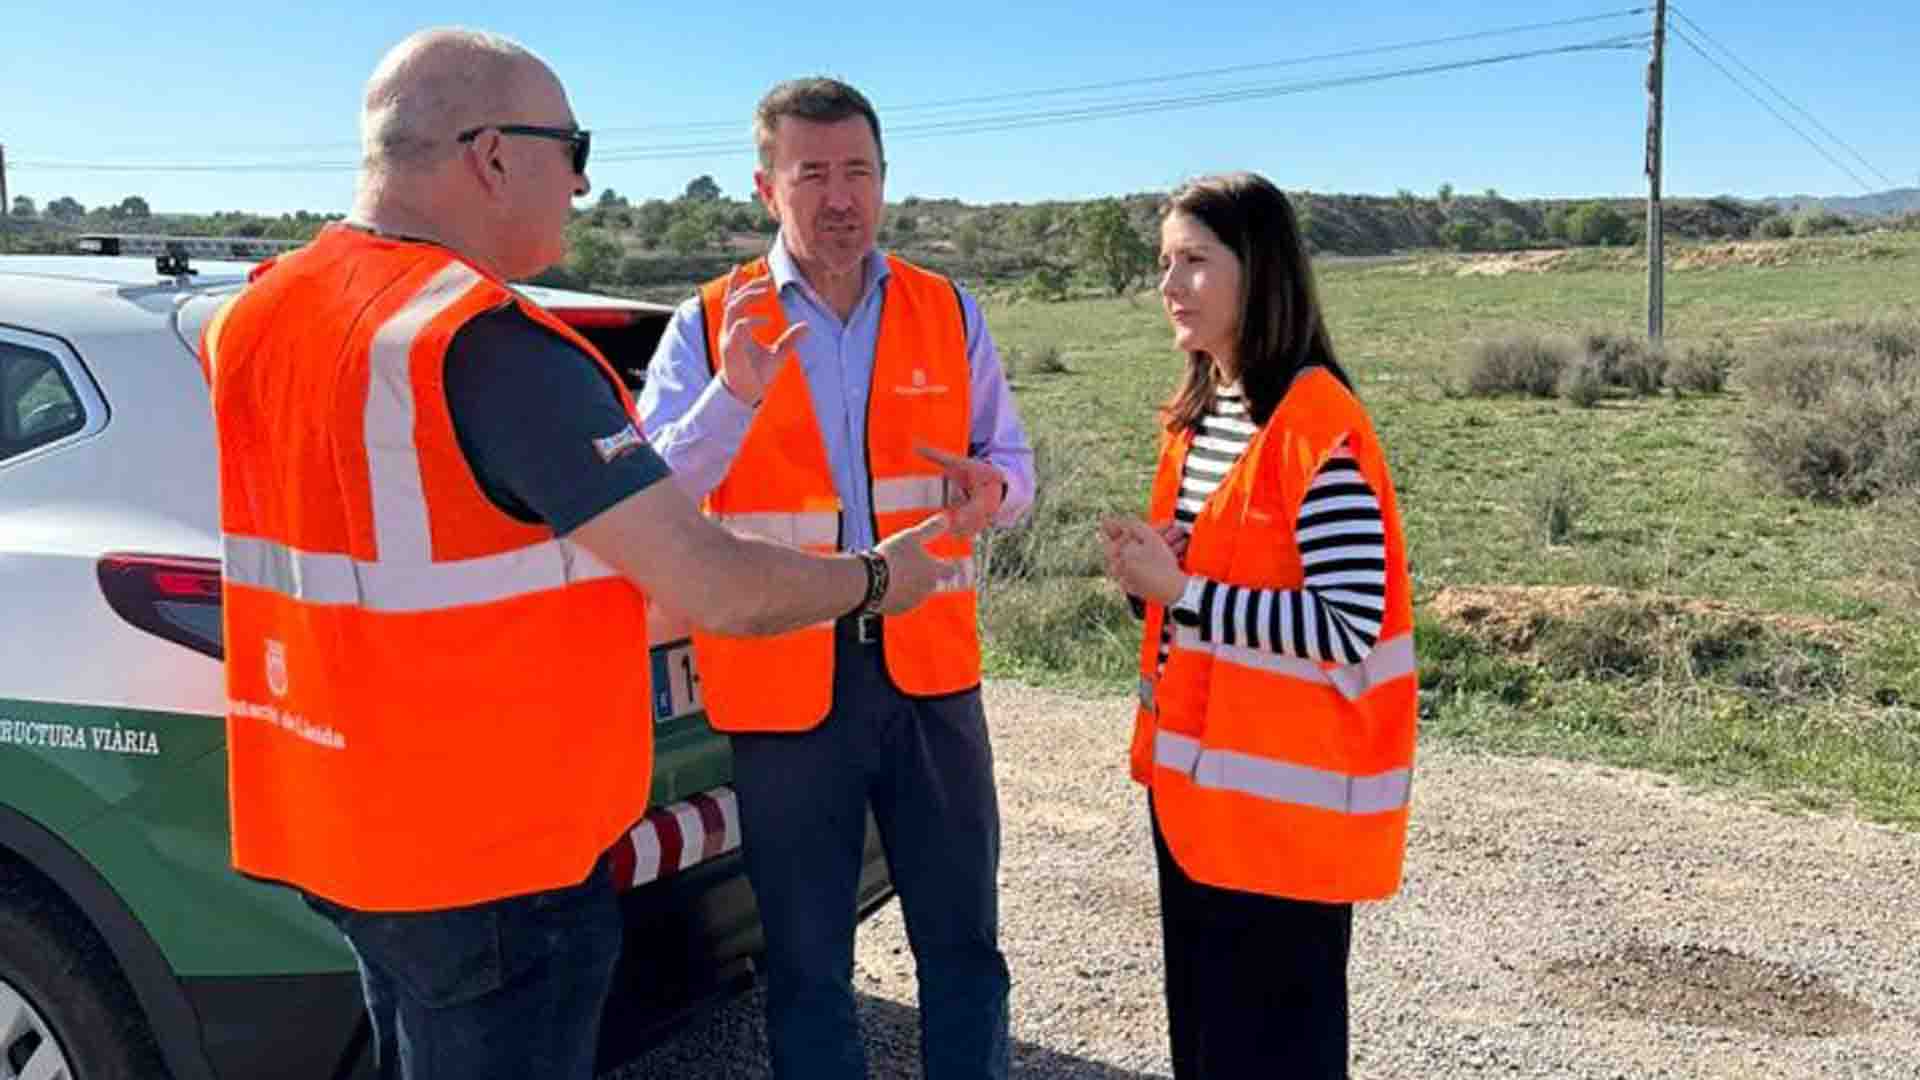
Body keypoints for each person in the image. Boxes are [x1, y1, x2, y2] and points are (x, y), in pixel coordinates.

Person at [198, 31, 951, 1080]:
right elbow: (713, 586)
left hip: (345, 829)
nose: (585, 182)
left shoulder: (258, 314)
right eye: (573, 146)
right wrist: (880, 578)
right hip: (493, 862)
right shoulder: (486, 343)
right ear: (494, 155)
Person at [638, 76, 1033, 1079]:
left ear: (885, 182)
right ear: (768, 187)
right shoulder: (713, 321)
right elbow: (653, 499)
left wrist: (998, 491)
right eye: (812, 172)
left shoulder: (949, 311)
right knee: (809, 967)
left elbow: (1015, 470)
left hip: (931, 678)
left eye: (858, 170)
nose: (839, 195)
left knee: (965, 951)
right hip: (785, 688)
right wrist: (733, 395)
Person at [1099, 172, 1418, 1079]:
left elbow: (1348, 622)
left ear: (1261, 273)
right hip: (1197, 801)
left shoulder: (1316, 427)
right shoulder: (1202, 419)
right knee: (1207, 1045)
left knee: (1276, 1055)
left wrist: (1184, 588)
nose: (1170, 285)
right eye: (1165, 262)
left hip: (1285, 822)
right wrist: (1148, 578)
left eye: (1195, 261)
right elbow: (1209, 589)